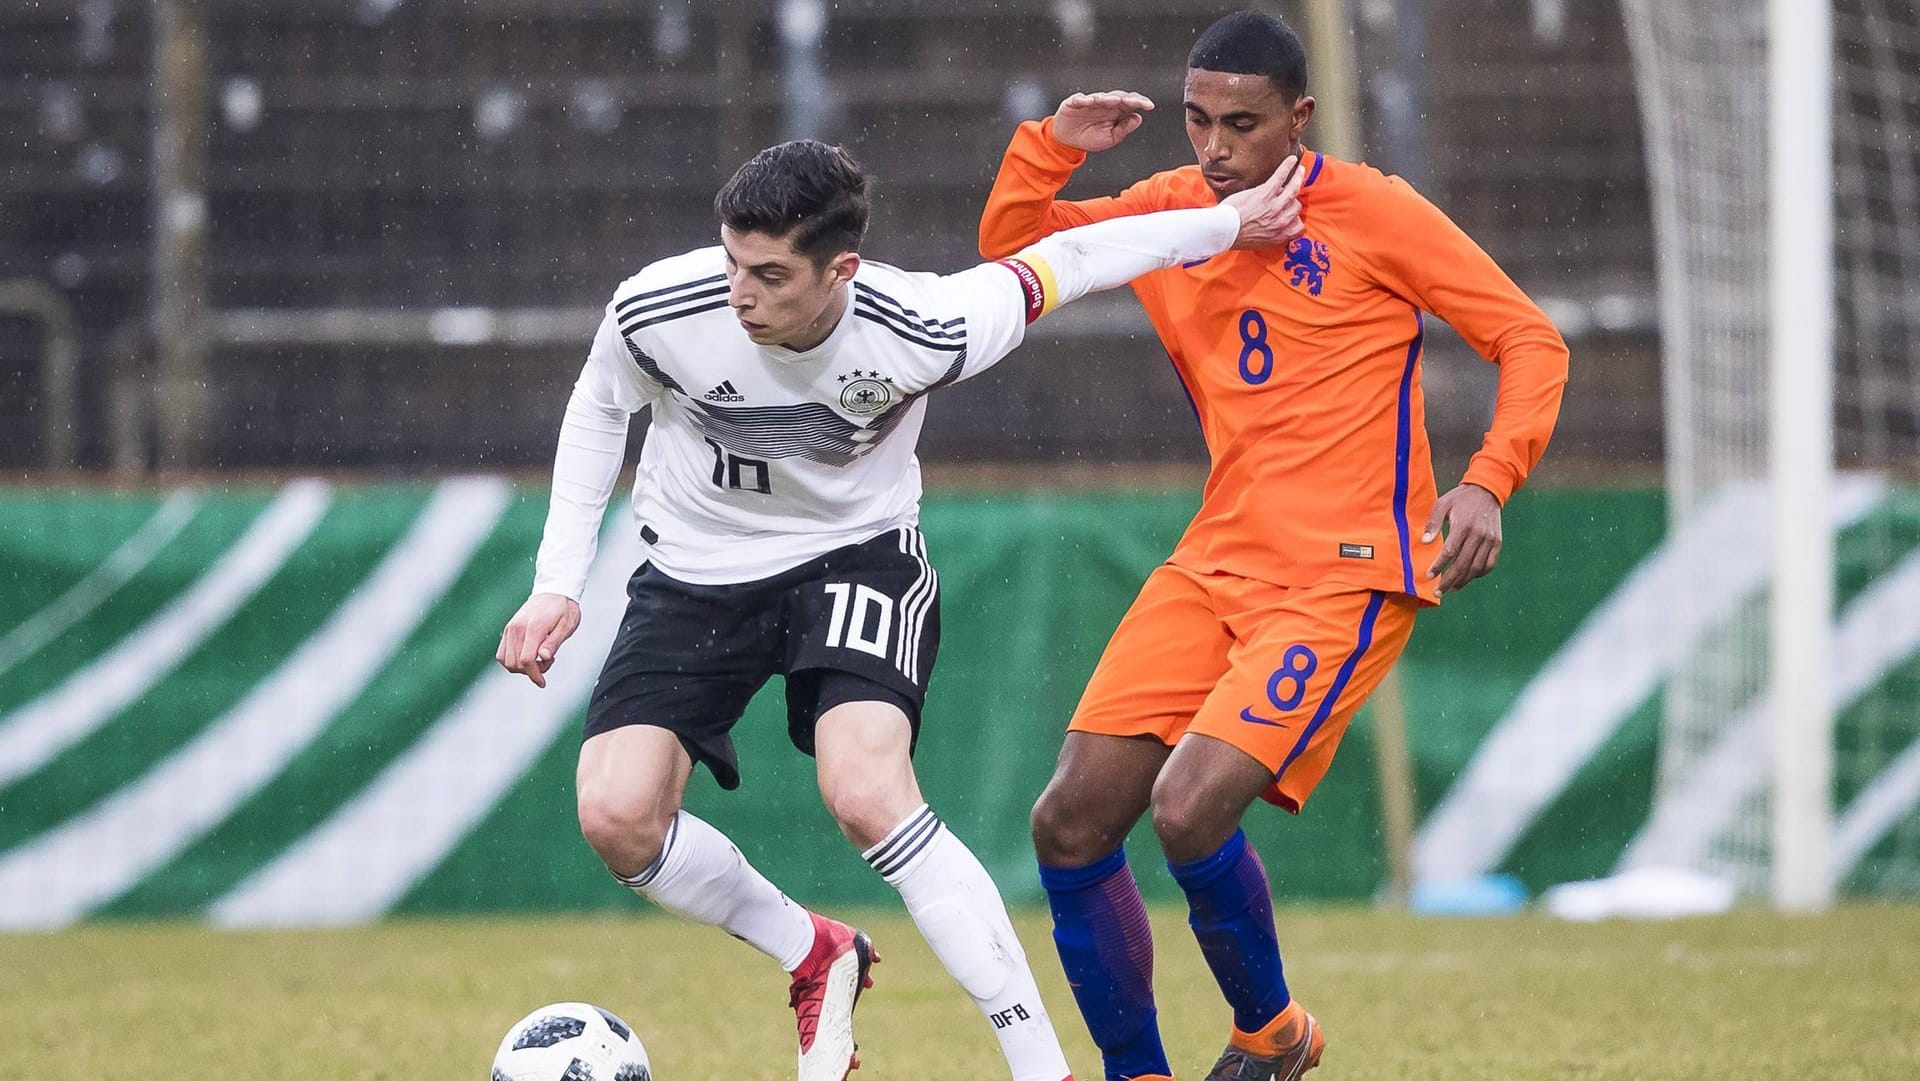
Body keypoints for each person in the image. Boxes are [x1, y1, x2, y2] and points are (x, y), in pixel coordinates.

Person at [494, 138, 1307, 1081]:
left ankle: (1043, 1069)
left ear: (841, 270)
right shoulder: (661, 306)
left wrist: (1227, 224)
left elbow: (1075, 259)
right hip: (694, 568)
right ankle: (816, 952)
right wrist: (557, 581)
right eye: (731, 263)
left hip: (856, 556)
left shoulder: (926, 321)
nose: (738, 293)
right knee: (617, 816)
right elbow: (600, 402)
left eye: (767, 274)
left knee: (868, 793)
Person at [978, 10, 1570, 1081]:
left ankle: (1272, 1035)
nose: (1214, 148)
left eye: (1242, 125)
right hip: (1212, 563)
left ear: (1299, 119)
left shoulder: (1372, 210)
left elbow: (1530, 337)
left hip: (1342, 575)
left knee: (1190, 805)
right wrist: (1054, 145)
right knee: (1068, 823)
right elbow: (1018, 255)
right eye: (1199, 120)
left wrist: (1488, 481)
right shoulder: (1169, 209)